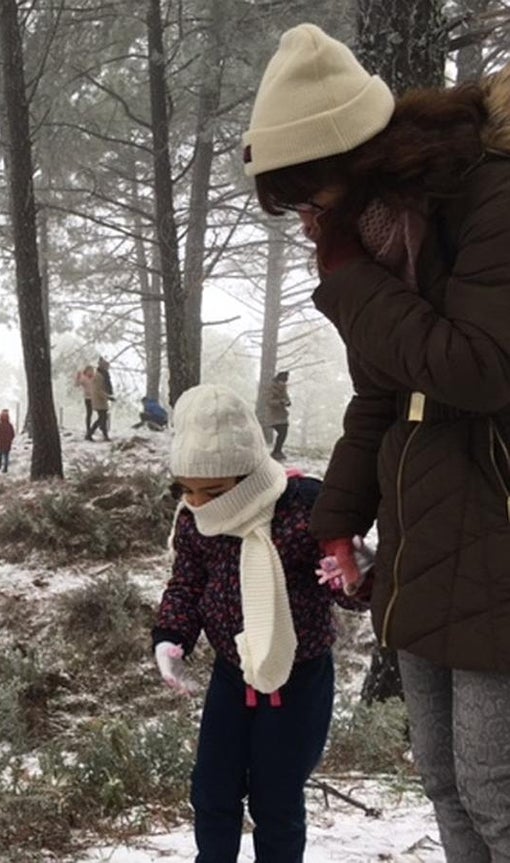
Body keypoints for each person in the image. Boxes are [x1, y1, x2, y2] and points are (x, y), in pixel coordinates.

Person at [244, 22, 510, 859]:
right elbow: (383, 395)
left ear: (353, 165)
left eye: (309, 199)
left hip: (498, 527)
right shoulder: (387, 235)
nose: (309, 225)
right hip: (429, 533)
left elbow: (479, 369)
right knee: (443, 779)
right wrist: (338, 518)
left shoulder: (489, 196)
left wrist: (352, 278)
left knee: (495, 788)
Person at [153, 384, 366, 863]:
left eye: (213, 490)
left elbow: (354, 591)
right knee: (212, 791)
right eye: (187, 488)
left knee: (276, 799)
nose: (199, 502)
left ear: (247, 475)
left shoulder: (306, 505)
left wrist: (351, 577)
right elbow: (187, 584)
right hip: (232, 674)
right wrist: (170, 639)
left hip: (299, 678)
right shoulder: (195, 519)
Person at [76, 364, 111, 441]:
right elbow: (77, 384)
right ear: (86, 371)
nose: (91, 372)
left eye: (92, 370)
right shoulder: (84, 378)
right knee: (91, 414)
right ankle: (89, 431)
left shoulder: (94, 377)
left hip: (95, 398)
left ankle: (100, 432)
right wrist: (77, 377)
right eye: (90, 370)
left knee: (102, 417)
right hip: (88, 398)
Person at [261, 371, 291, 461]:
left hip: (282, 415)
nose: (283, 383)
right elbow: (268, 401)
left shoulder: (283, 388)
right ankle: (276, 451)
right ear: (278, 380)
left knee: (284, 432)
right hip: (273, 415)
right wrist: (280, 402)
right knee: (282, 432)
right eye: (282, 381)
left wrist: (288, 402)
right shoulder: (271, 388)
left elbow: (287, 398)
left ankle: (277, 451)